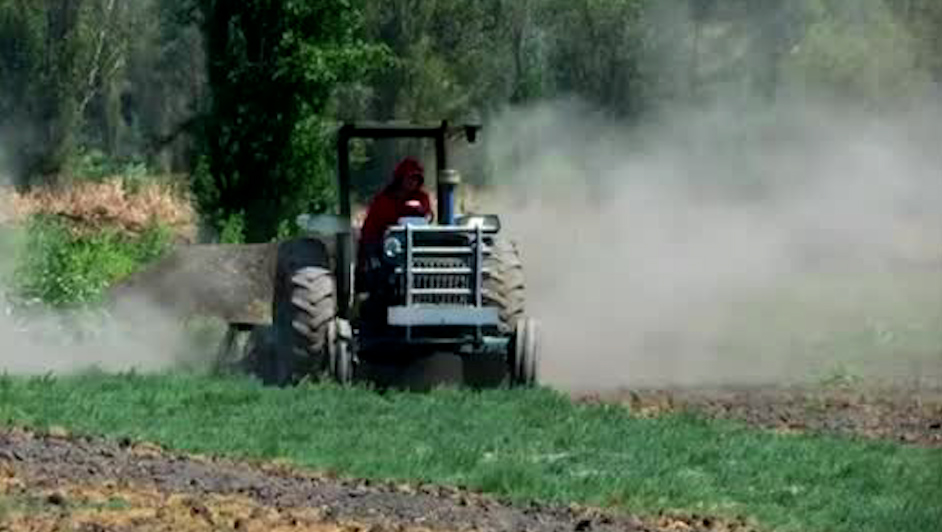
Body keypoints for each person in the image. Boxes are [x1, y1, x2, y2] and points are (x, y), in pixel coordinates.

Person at [356, 156, 433, 292]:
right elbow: (370, 231)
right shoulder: (383, 200)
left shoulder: (422, 198)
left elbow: (427, 217)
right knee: (379, 275)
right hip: (387, 249)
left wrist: (421, 212)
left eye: (416, 179)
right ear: (400, 178)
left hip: (418, 247)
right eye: (410, 178)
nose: (413, 182)